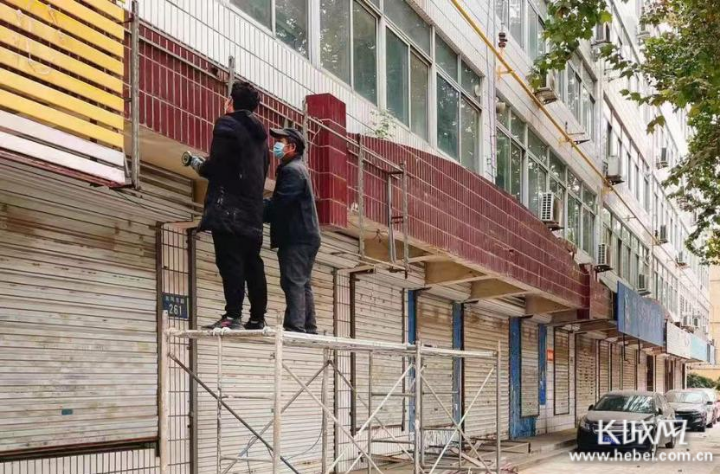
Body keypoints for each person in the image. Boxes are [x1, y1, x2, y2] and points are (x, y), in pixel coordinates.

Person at [198, 81, 269, 330]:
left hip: (228, 209)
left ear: (231, 102)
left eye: (227, 99)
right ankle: (257, 317)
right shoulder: (261, 138)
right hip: (253, 212)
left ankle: (233, 315)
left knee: (230, 262)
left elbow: (218, 164)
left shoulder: (226, 124)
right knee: (252, 263)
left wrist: (201, 166)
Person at [264, 128, 321, 334]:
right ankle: (308, 325)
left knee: (292, 280)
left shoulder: (292, 171)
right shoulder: (298, 168)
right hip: (305, 235)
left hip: (297, 236)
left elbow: (280, 204)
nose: (276, 146)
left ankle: (296, 326)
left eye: (280, 141)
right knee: (302, 282)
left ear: (292, 147)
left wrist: (253, 208)